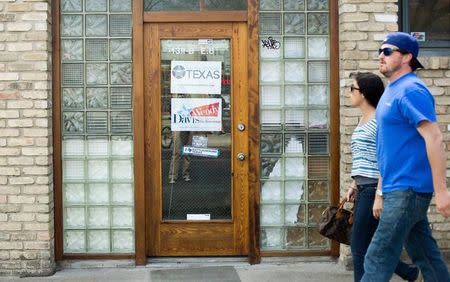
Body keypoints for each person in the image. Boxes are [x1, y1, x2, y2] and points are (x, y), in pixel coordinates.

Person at [361, 32, 450, 281]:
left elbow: (434, 138)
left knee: (377, 256)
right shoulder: (392, 91)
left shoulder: (411, 90)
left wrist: (442, 191)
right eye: (380, 50)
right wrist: (381, 191)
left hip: (408, 189)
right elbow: (388, 149)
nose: (381, 55)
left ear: (407, 57)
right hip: (396, 187)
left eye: (388, 51)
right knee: (426, 256)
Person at [346, 72, 418, 282]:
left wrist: (379, 195)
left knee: (359, 246)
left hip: (373, 190)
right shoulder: (362, 119)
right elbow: (367, 158)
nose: (349, 93)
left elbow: (388, 160)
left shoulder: (380, 121)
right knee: (369, 244)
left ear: (364, 93)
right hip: (363, 187)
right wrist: (353, 183)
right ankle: (411, 273)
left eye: (353, 89)